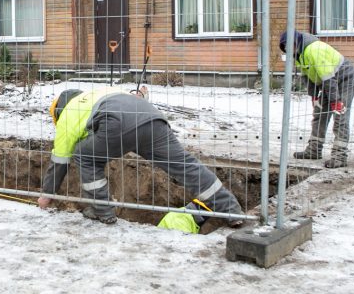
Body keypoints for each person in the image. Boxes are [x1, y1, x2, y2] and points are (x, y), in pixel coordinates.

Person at [37, 87, 245, 226]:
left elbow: (60, 162)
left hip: (116, 123)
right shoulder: (98, 93)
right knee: (184, 165)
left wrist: (47, 196)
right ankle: (231, 209)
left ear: (58, 112)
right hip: (152, 118)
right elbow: (135, 98)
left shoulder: (67, 116)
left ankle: (103, 210)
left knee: (84, 155)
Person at [279, 30, 354, 168]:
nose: (288, 49)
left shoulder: (313, 50)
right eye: (286, 47)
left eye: (290, 45)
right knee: (319, 113)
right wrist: (314, 97)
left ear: (296, 41)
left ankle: (339, 156)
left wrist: (335, 101)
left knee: (340, 114)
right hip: (328, 82)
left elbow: (328, 78)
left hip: (345, 78)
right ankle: (314, 150)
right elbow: (307, 78)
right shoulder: (299, 55)